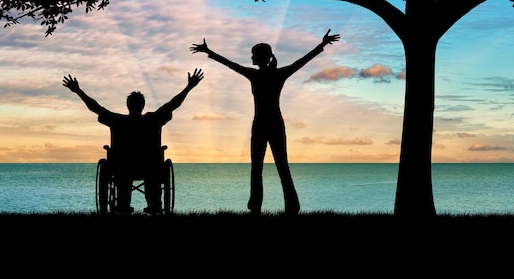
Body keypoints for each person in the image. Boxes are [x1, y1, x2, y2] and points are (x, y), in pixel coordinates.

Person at [190, 30, 340, 216]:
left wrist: (209, 52)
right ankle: (290, 207)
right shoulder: (276, 74)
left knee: (259, 169)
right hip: (273, 123)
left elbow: (232, 65)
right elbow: (302, 61)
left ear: (261, 57)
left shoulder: (257, 75)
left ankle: (257, 208)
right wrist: (322, 45)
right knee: (281, 168)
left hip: (262, 124)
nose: (251, 57)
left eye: (253, 54)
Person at [62, 69, 204, 214]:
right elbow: (173, 104)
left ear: (127, 105)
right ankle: (154, 206)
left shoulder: (118, 121)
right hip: (149, 166)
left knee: (124, 175)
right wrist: (189, 87)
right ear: (143, 105)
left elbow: (96, 108)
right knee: (151, 173)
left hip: (122, 167)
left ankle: (123, 206)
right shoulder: (153, 120)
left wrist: (78, 90)